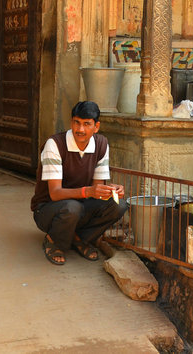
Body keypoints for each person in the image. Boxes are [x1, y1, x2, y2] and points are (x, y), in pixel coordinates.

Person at [30, 101, 127, 266]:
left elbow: (97, 188)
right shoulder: (54, 144)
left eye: (86, 124)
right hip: (47, 210)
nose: (80, 129)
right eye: (77, 123)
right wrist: (89, 192)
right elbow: (55, 193)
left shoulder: (101, 144)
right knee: (72, 207)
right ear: (71, 123)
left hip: (79, 207)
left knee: (119, 205)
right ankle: (54, 241)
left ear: (96, 127)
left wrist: (110, 190)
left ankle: (78, 238)